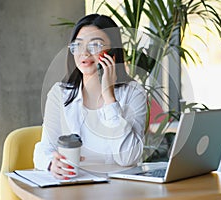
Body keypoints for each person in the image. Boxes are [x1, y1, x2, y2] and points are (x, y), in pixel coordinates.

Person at [33, 14, 147, 180]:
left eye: (95, 45)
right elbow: (44, 149)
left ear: (113, 52)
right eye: (78, 45)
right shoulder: (59, 94)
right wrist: (52, 163)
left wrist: (109, 97)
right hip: (73, 185)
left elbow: (127, 158)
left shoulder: (133, 93)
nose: (84, 53)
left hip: (119, 189)